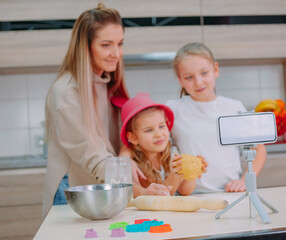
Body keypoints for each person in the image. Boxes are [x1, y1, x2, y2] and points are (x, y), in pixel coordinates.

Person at [42, 3, 170, 219]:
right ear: (86, 46)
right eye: (106, 45)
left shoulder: (108, 83)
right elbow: (90, 153)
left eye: (120, 44)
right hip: (74, 189)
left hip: (103, 187)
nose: (116, 53)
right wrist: (130, 182)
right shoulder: (66, 91)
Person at [166, 42, 267, 194]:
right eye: (189, 77)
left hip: (230, 193)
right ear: (180, 80)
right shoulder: (173, 110)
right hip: (189, 196)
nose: (198, 82)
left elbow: (259, 149)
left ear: (215, 69)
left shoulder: (233, 107)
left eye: (204, 73)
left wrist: (243, 181)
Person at [112, 92, 208, 196]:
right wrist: (174, 175)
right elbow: (162, 194)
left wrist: (192, 175)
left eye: (161, 126)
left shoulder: (173, 153)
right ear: (133, 138)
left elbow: (184, 191)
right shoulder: (135, 163)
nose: (158, 134)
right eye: (149, 130)